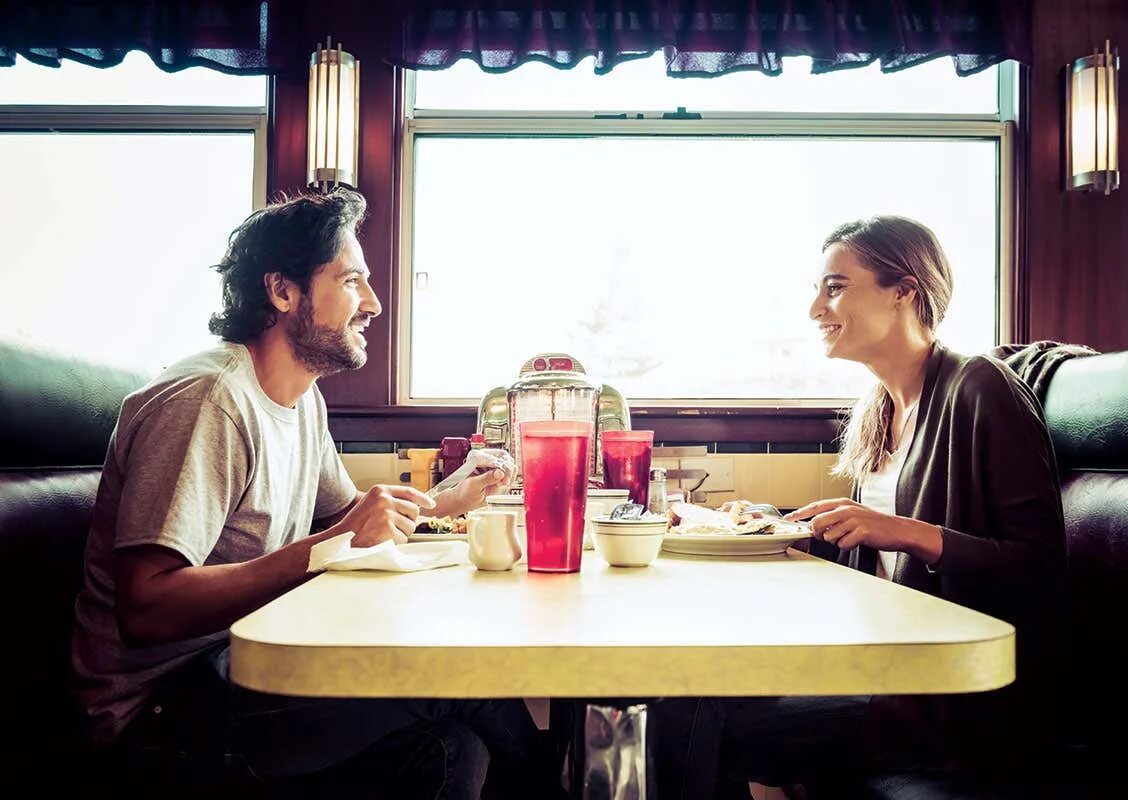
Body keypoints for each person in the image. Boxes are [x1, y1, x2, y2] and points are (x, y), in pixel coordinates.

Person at [70, 189, 554, 798]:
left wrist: (450, 497)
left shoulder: (301, 400)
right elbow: (146, 607)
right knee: (453, 677)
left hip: (245, 667)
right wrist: (334, 544)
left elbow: (348, 519)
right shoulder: (209, 402)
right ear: (282, 292)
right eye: (352, 281)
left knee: (451, 751)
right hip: (161, 712)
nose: (374, 304)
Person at [652, 216, 1068, 799]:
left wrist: (904, 532)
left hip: (944, 690)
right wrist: (782, 522)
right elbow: (875, 553)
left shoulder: (982, 389)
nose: (816, 308)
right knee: (683, 687)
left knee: (691, 717)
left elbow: (1040, 567)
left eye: (836, 287)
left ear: (904, 291)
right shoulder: (878, 408)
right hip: (874, 661)